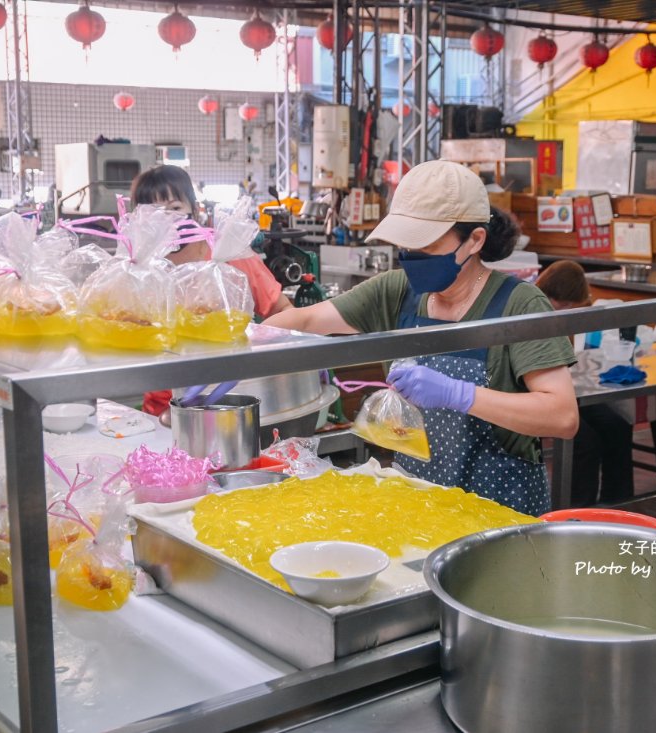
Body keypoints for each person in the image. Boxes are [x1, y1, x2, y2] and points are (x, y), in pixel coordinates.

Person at [264, 161, 578, 516]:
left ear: (474, 240)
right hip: (419, 501)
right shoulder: (397, 291)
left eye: (424, 244)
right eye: (404, 243)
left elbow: (562, 416)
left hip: (501, 506)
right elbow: (305, 319)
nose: (410, 256)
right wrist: (244, 348)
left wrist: (459, 394)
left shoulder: (519, 304)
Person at [132, 166, 293, 417]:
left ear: (195, 210)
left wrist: (268, 356)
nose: (167, 220)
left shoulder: (226, 253)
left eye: (175, 208)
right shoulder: (138, 267)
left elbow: (281, 309)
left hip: (229, 396)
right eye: (154, 212)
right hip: (161, 406)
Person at [535, 260, 634, 506]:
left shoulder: (562, 317)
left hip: (566, 393)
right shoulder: (531, 310)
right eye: (567, 305)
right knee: (585, 442)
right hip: (534, 397)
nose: (570, 310)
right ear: (555, 298)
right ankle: (576, 513)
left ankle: (619, 508)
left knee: (617, 427)